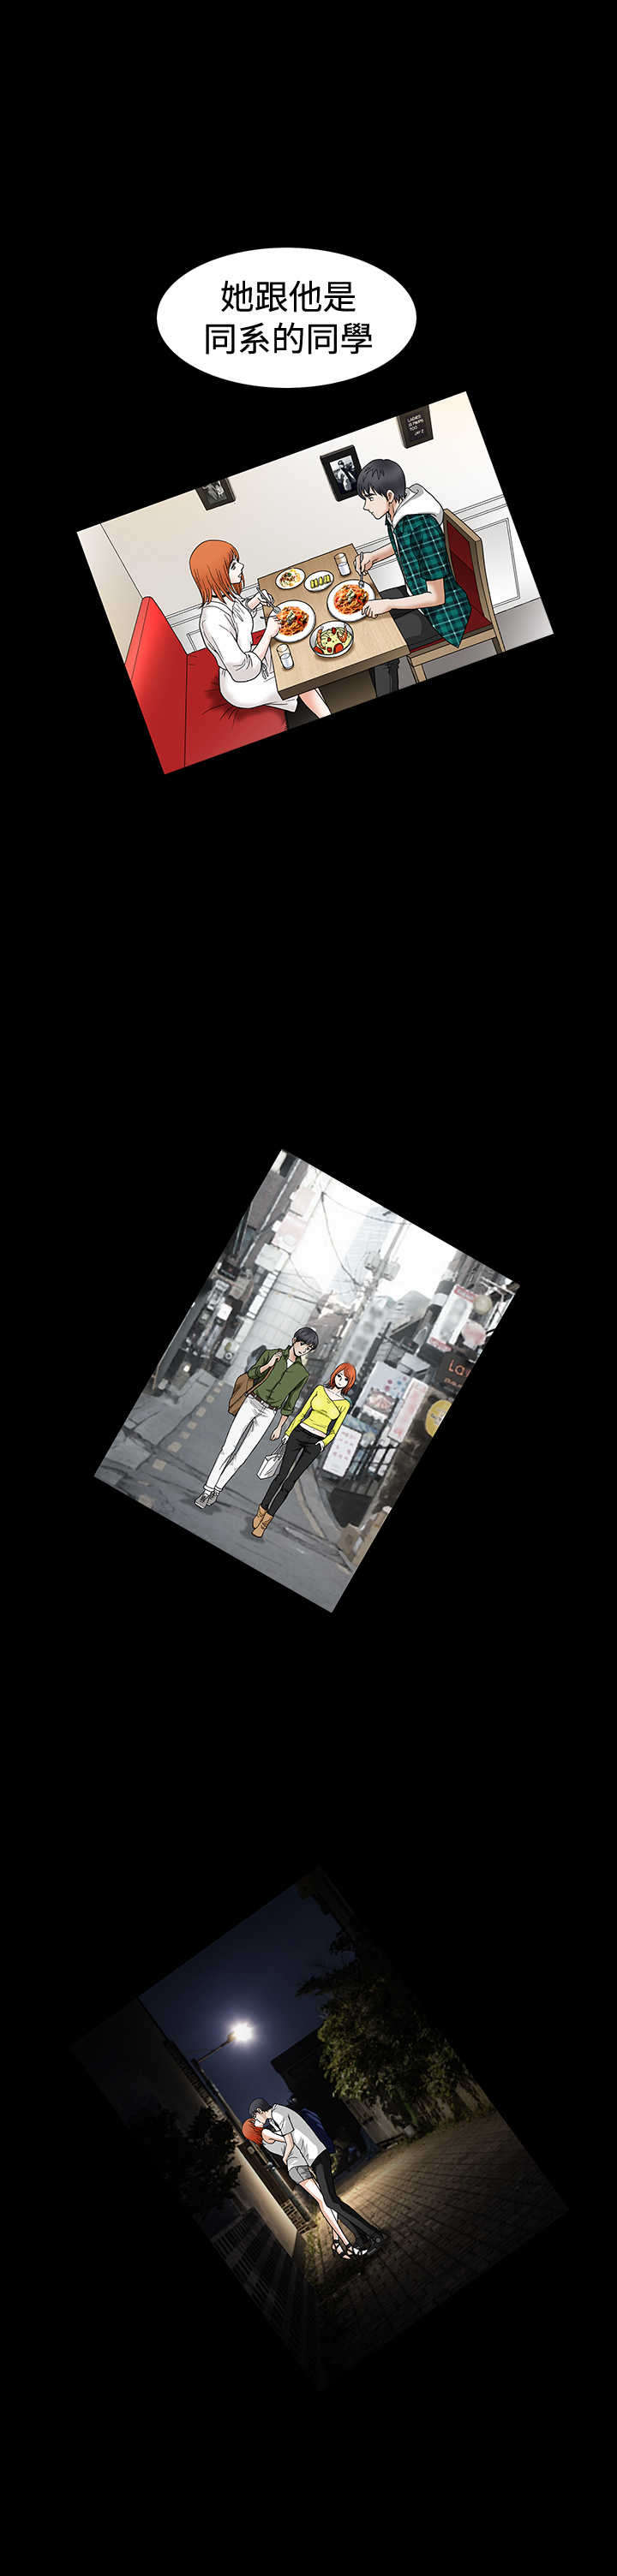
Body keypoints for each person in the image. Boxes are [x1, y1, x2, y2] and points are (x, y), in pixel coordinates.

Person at [356, 458, 471, 695]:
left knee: (382, 647)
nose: (366, 506)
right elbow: (405, 544)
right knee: (366, 611)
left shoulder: (422, 525)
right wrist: (374, 556)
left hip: (442, 615)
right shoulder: (398, 513)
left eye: (370, 499)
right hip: (416, 593)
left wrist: (389, 604)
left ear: (389, 496)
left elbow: (437, 597)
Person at [189, 538, 330, 719]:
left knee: (297, 655)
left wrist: (256, 601)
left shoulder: (224, 596)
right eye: (233, 566)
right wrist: (268, 634)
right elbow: (243, 671)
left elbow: (238, 616)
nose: (241, 567)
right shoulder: (212, 621)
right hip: (244, 685)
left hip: (254, 658)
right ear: (215, 575)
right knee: (299, 679)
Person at [244, 2101, 386, 2263]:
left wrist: (285, 2157)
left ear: (260, 2111)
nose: (257, 2119)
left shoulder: (278, 2114)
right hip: (314, 2158)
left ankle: (375, 2235)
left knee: (331, 2202)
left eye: (255, 2116)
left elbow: (290, 2141)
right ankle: (362, 2238)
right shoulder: (276, 2117)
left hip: (317, 2156)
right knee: (331, 2202)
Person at [194, 1328, 319, 1511]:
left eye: (308, 1348)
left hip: (269, 1414)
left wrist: (280, 1427)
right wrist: (269, 1365)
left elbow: (290, 1402)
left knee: (242, 1455)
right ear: (294, 1340)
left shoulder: (302, 1374)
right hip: (251, 1403)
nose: (303, 1350)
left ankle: (217, 1490)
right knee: (228, 1448)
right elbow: (252, 1374)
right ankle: (207, 1491)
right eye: (302, 1344)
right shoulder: (271, 1354)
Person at [253, 1363, 356, 1538]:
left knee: (290, 1482)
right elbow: (302, 1413)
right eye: (339, 1376)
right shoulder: (320, 1390)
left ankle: (266, 1521)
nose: (341, 1380)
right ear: (334, 1375)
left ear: (349, 1383)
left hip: (315, 1443)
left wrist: (322, 1444)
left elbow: (334, 1430)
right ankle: (262, 1509)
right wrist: (288, 1432)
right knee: (281, 1476)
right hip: (299, 1433)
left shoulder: (344, 1404)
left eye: (345, 1379)